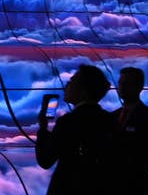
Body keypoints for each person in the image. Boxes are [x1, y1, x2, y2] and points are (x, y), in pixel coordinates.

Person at [35, 64, 119, 195]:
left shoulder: (68, 122)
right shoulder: (110, 120)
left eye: (71, 82)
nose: (66, 86)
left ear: (83, 92)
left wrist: (43, 128)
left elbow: (45, 160)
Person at [113, 67, 148, 194]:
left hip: (137, 186)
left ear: (139, 87)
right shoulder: (111, 116)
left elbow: (146, 158)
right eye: (120, 83)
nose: (122, 87)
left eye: (127, 84)